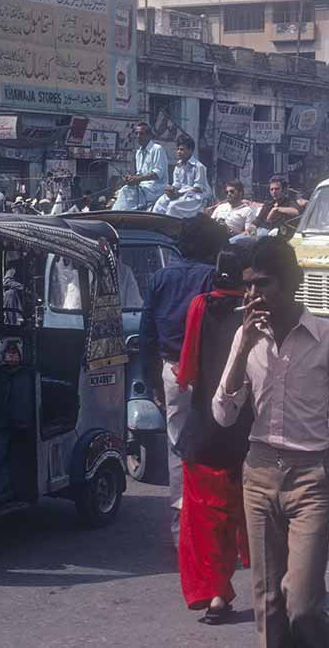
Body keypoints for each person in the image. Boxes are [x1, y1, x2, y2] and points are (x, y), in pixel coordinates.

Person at [213, 238, 329, 648]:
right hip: (260, 473)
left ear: (291, 284)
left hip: (311, 480)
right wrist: (243, 348)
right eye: (247, 285)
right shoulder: (245, 337)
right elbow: (224, 412)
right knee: (267, 603)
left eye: (262, 285)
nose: (252, 295)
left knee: (301, 605)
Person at [174, 243, 253, 625]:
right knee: (251, 513)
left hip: (206, 428)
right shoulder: (257, 314)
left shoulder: (200, 306)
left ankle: (217, 594)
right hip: (249, 431)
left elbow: (186, 371)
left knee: (205, 520)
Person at [140, 216, 226, 546]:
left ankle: (182, 528)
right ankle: (211, 524)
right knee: (212, 448)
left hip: (172, 372)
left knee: (178, 448)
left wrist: (152, 380)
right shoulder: (213, 278)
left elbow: (147, 332)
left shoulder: (162, 277)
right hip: (209, 372)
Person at [152, 136, 211, 219]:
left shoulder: (199, 166)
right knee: (160, 202)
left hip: (195, 197)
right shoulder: (178, 166)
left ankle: (170, 228)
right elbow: (176, 184)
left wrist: (180, 193)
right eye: (178, 149)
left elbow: (198, 188)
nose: (179, 152)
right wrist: (171, 189)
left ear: (190, 150)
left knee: (173, 206)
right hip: (179, 194)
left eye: (182, 149)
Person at [114, 123, 168, 211]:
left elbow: (158, 174)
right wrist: (131, 179)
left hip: (156, 188)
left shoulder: (157, 149)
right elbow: (139, 173)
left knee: (126, 191)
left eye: (141, 133)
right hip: (143, 187)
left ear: (149, 135)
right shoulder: (138, 152)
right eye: (136, 133)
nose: (138, 136)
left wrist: (138, 179)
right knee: (121, 191)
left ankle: (119, 215)